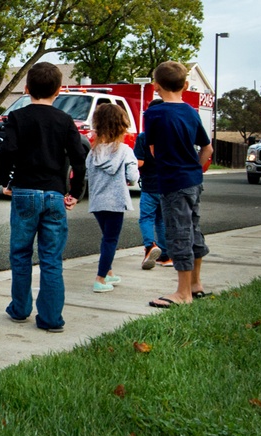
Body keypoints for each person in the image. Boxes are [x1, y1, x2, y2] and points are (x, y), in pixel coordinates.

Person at [0, 61, 86, 332]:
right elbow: (79, 159)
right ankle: (51, 318)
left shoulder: (17, 118)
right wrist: (74, 192)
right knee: (51, 257)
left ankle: (20, 308)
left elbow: (7, 151)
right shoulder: (65, 120)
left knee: (21, 254)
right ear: (58, 90)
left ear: (26, 89)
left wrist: (5, 180)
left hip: (24, 192)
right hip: (55, 194)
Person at [143, 61, 214, 307]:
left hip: (172, 182)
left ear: (155, 87)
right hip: (194, 181)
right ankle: (196, 283)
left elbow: (152, 149)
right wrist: (196, 168)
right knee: (194, 229)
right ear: (185, 85)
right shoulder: (192, 113)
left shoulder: (153, 113)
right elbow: (207, 148)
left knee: (178, 233)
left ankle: (183, 293)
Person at [85, 103, 139, 293]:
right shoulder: (125, 151)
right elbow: (132, 177)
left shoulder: (93, 153)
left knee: (106, 237)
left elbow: (87, 175)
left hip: (97, 202)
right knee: (110, 240)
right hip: (116, 203)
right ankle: (100, 279)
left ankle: (108, 272)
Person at [134, 98, 173, 270]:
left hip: (149, 185)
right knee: (162, 221)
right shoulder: (171, 136)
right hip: (167, 185)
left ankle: (150, 246)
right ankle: (166, 256)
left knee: (146, 218)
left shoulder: (143, 137)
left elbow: (140, 163)